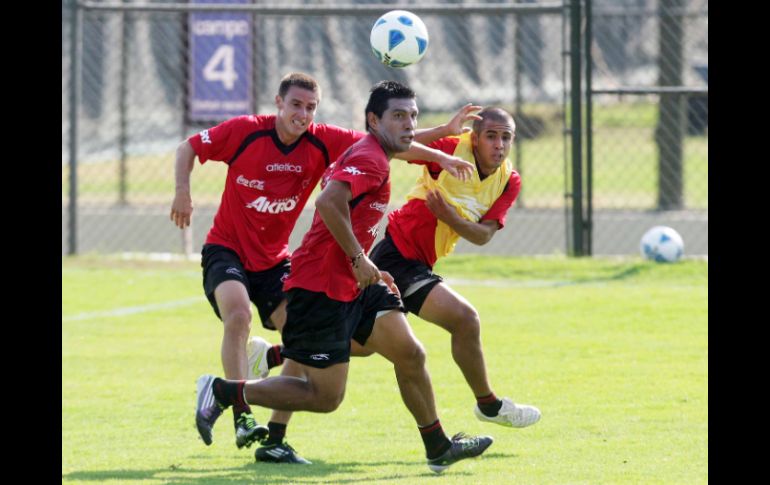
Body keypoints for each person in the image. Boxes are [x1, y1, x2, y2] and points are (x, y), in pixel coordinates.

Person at [195, 81, 493, 474]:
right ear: (374, 120)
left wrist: (368, 265)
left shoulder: (373, 151)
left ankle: (438, 447)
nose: (409, 123)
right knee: (325, 397)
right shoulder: (369, 158)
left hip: (358, 284)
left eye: (413, 116)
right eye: (399, 116)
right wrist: (358, 257)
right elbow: (328, 201)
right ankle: (223, 391)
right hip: (320, 286)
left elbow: (390, 164)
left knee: (410, 353)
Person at [368, 107, 542, 429]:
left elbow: (483, 235)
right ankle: (488, 405)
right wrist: (443, 130)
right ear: (475, 139)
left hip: (420, 264)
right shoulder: (452, 148)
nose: (499, 145)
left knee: (357, 342)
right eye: (491, 136)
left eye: (506, 138)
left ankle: (276, 356)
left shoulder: (508, 180)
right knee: (464, 319)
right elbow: (393, 147)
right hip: (396, 256)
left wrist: (451, 218)